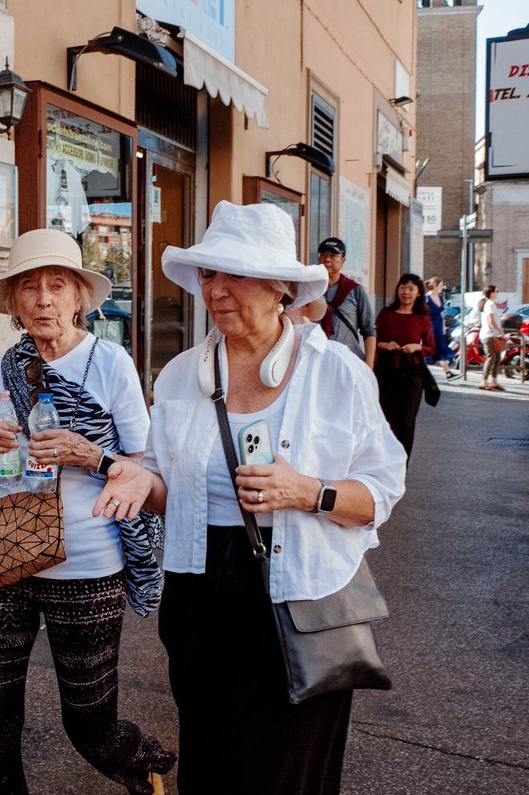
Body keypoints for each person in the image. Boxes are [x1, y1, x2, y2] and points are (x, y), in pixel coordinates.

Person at [91, 201, 408, 794]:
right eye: (209, 274)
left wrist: (308, 491)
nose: (216, 289)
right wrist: (138, 479)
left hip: (298, 594)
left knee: (281, 772)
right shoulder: (184, 373)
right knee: (209, 765)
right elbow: (165, 485)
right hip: (198, 591)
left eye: (233, 273)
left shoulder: (336, 373)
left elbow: (383, 490)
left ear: (280, 286)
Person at [0, 228, 175, 794]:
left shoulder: (111, 364)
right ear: (13, 302)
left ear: (80, 298)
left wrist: (92, 455)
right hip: (6, 553)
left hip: (86, 565)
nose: (43, 300)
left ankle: (148, 766)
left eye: (56, 285)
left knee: (89, 722)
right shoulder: (2, 370)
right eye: (29, 288)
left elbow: (144, 471)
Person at [376, 274, 435, 458]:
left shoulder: (422, 317)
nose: (406, 292)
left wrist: (417, 347)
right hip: (386, 373)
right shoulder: (386, 313)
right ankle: (381, 463)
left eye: (411, 288)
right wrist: (385, 345)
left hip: (412, 375)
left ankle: (401, 466)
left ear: (418, 293)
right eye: (403, 287)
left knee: (406, 422)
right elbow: (373, 340)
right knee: (383, 420)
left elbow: (431, 347)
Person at [317, 237, 377, 368]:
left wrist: (369, 363)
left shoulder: (354, 290)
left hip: (349, 361)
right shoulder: (311, 290)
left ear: (343, 260)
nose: (327, 260)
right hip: (317, 360)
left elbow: (369, 329)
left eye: (333, 256)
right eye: (323, 255)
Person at [424, 276, 455, 379]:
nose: (442, 287)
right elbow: (423, 314)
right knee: (429, 349)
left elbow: (442, 312)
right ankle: (422, 373)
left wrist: (444, 326)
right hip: (429, 326)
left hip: (438, 325)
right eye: (441, 285)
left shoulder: (440, 297)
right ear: (436, 285)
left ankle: (448, 373)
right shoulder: (426, 298)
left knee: (441, 348)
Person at [478, 285, 505, 391]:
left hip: (493, 335)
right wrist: (500, 331)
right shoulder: (489, 304)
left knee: (497, 357)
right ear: (492, 293)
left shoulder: (490, 304)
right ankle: (484, 381)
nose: (498, 293)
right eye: (496, 291)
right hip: (489, 335)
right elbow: (491, 321)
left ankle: (494, 381)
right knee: (491, 358)